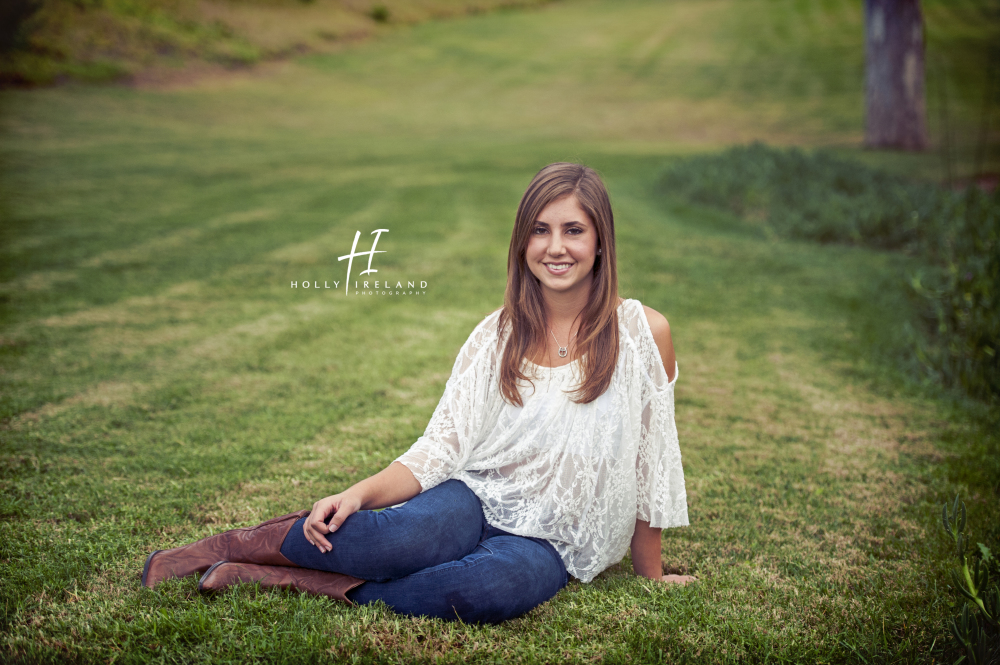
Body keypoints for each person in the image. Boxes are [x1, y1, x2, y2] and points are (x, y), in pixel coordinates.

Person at [141, 162, 695, 624]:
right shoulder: (495, 334)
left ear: (601, 242)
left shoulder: (644, 333)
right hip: (477, 498)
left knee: (484, 593)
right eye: (540, 230)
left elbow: (652, 460)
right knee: (393, 542)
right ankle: (228, 548)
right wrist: (358, 493)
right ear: (522, 241)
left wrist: (650, 571)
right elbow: (441, 447)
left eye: (573, 230)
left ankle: (292, 581)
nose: (555, 247)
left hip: (552, 542)